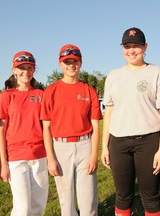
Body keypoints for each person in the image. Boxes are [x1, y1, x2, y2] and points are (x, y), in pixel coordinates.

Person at [101, 27, 160, 216]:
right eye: (127, 46)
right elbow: (108, 112)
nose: (131, 50)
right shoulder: (113, 76)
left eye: (136, 46)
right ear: (122, 48)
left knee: (150, 196)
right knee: (122, 194)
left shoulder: (156, 73)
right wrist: (104, 147)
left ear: (145, 47)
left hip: (148, 141)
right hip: (118, 142)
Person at [40, 44, 102, 216]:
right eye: (66, 61)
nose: (71, 65)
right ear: (60, 64)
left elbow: (96, 126)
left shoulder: (88, 90)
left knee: (88, 200)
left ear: (80, 63)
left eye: (75, 61)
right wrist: (51, 158)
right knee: (66, 203)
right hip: (61, 147)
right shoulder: (51, 91)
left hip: (85, 144)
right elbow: (46, 128)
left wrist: (94, 155)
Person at [0, 51, 48, 216]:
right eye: (21, 68)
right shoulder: (6, 96)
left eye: (29, 67)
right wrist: (3, 164)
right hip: (16, 157)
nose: (25, 71)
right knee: (22, 207)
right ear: (14, 70)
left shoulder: (41, 95)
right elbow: (1, 130)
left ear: (34, 70)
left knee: (38, 205)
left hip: (40, 155)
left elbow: (47, 126)